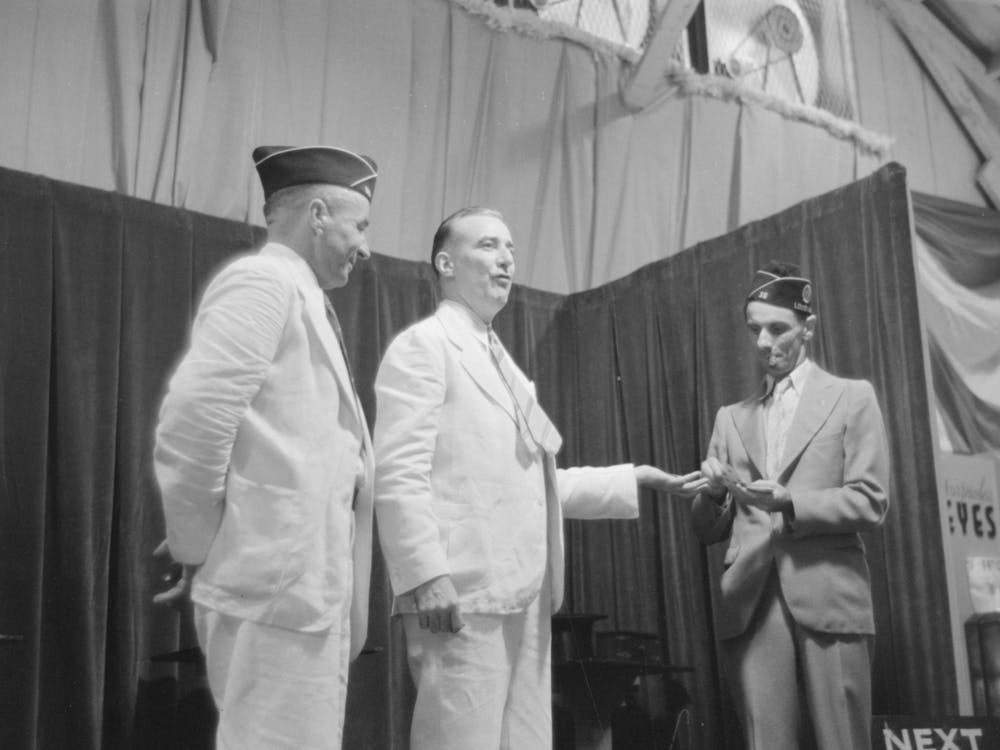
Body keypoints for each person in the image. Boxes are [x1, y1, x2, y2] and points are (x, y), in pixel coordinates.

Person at [373, 206, 705, 750]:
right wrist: (424, 574)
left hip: (524, 595)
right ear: (446, 264)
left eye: (510, 248)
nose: (506, 259)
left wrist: (633, 478)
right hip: (461, 594)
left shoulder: (505, 367)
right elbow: (397, 471)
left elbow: (529, 489)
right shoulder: (424, 346)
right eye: (488, 245)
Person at [153, 145, 378, 750]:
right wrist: (200, 545)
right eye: (360, 226)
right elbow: (193, 420)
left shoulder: (303, 297)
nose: (365, 246)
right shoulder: (262, 282)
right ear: (318, 215)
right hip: (276, 592)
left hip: (301, 594)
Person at [691, 261, 890, 750]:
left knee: (844, 741)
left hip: (829, 591)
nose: (763, 342)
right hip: (752, 600)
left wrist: (791, 502)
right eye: (754, 329)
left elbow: (870, 500)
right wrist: (712, 493)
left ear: (809, 327)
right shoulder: (730, 418)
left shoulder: (852, 398)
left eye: (777, 329)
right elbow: (707, 529)